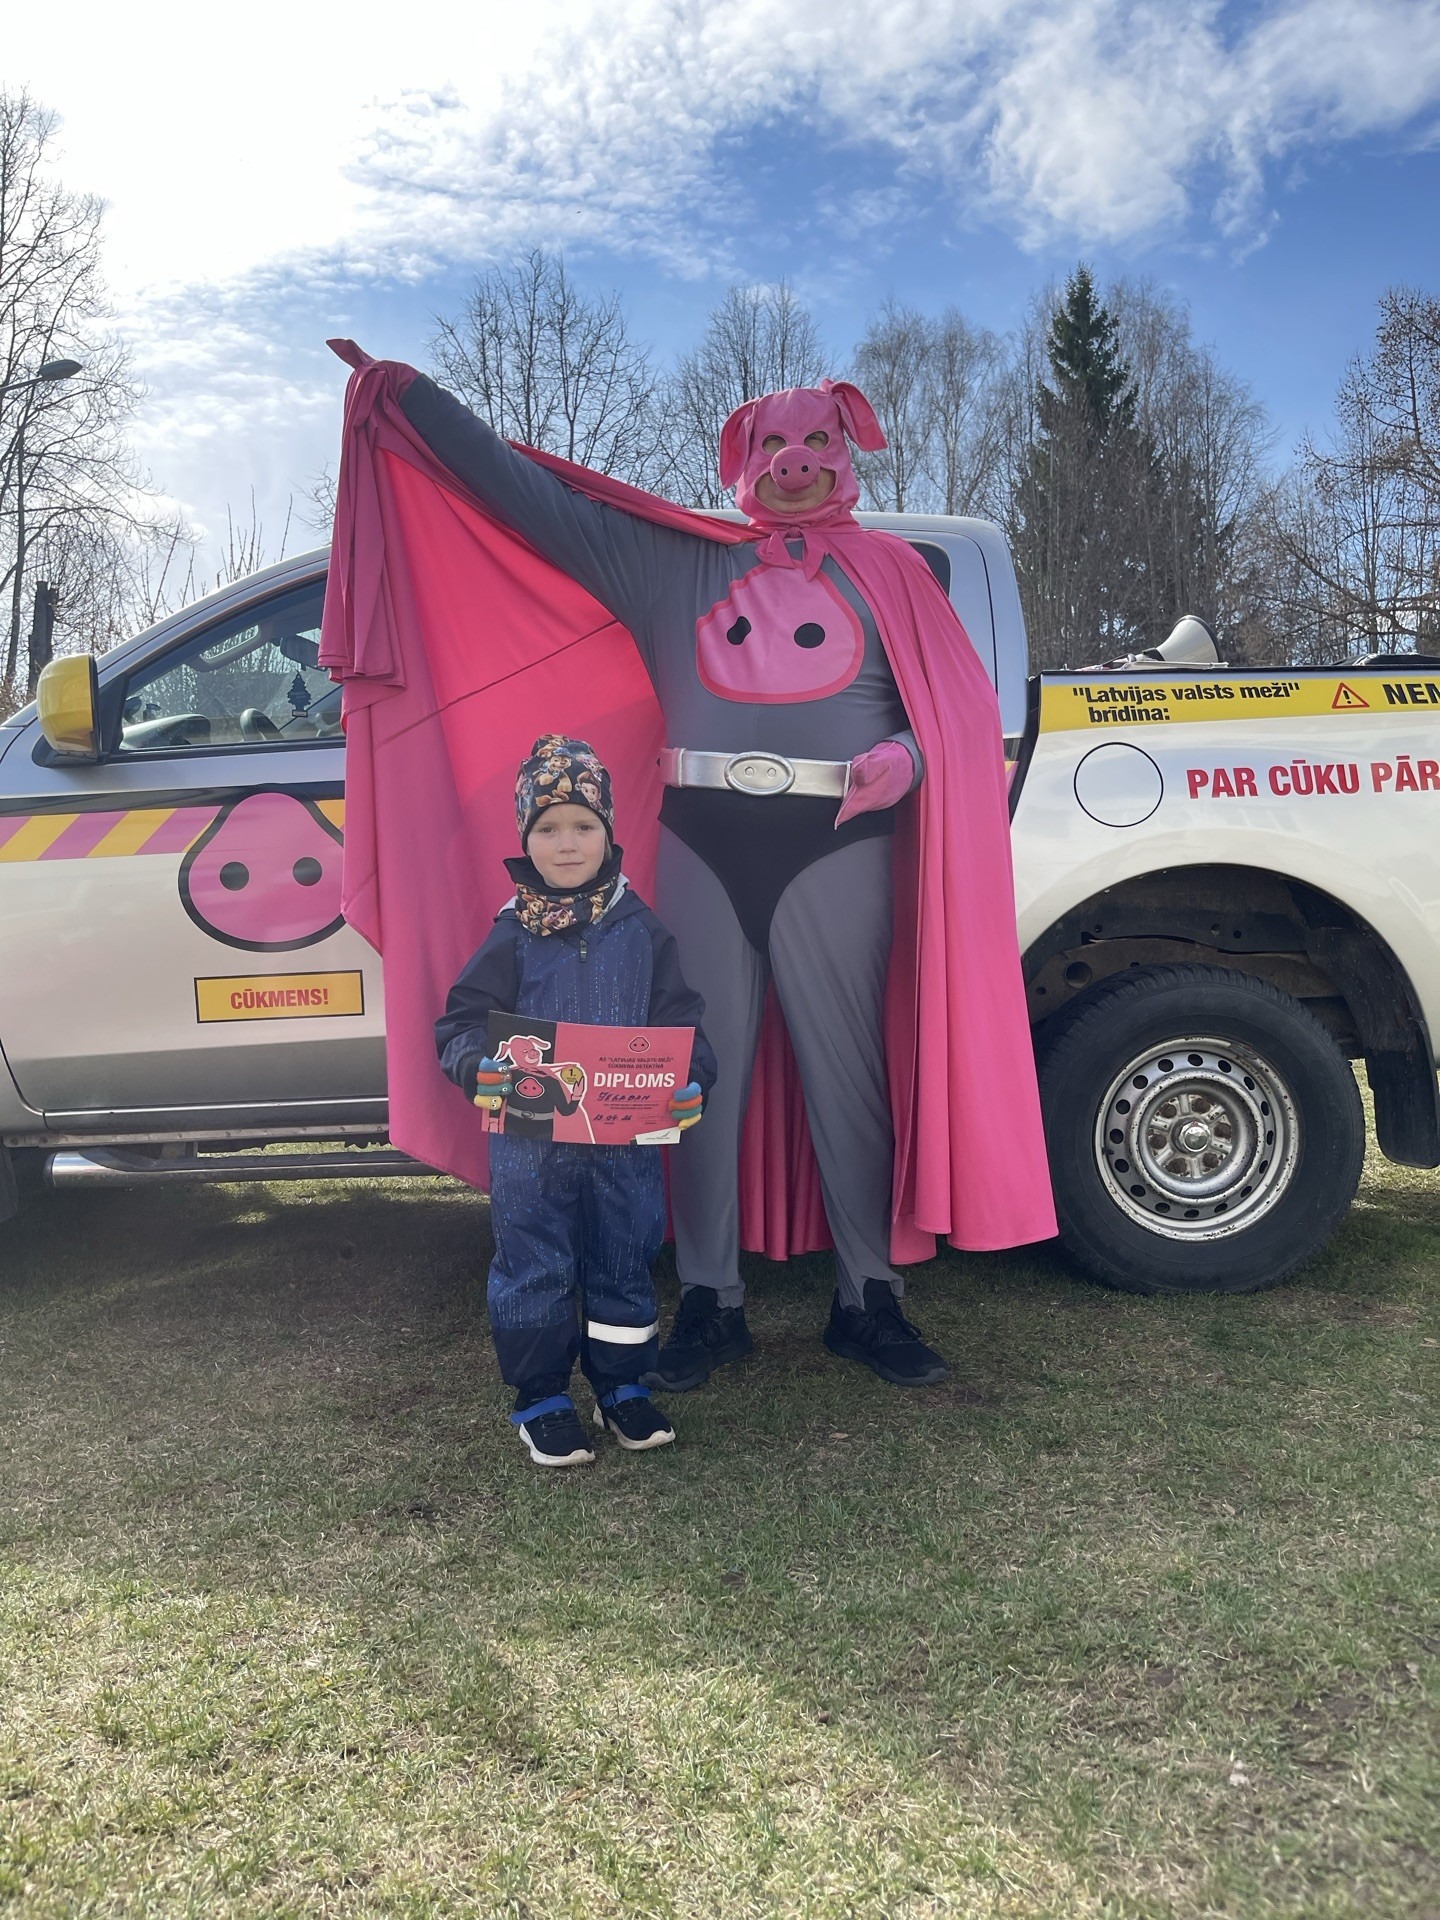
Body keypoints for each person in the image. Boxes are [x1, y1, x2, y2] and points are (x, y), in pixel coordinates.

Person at [436, 734, 716, 1468]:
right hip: (530, 1154)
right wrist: (475, 1068)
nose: (567, 844)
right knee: (536, 1263)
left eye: (584, 826)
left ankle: (622, 1386)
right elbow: (460, 1024)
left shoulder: (643, 930)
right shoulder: (511, 933)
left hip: (626, 1151)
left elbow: (683, 1028)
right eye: (549, 828)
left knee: (623, 1261)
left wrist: (693, 1083)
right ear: (525, 839)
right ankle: (541, 1398)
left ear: (609, 832)